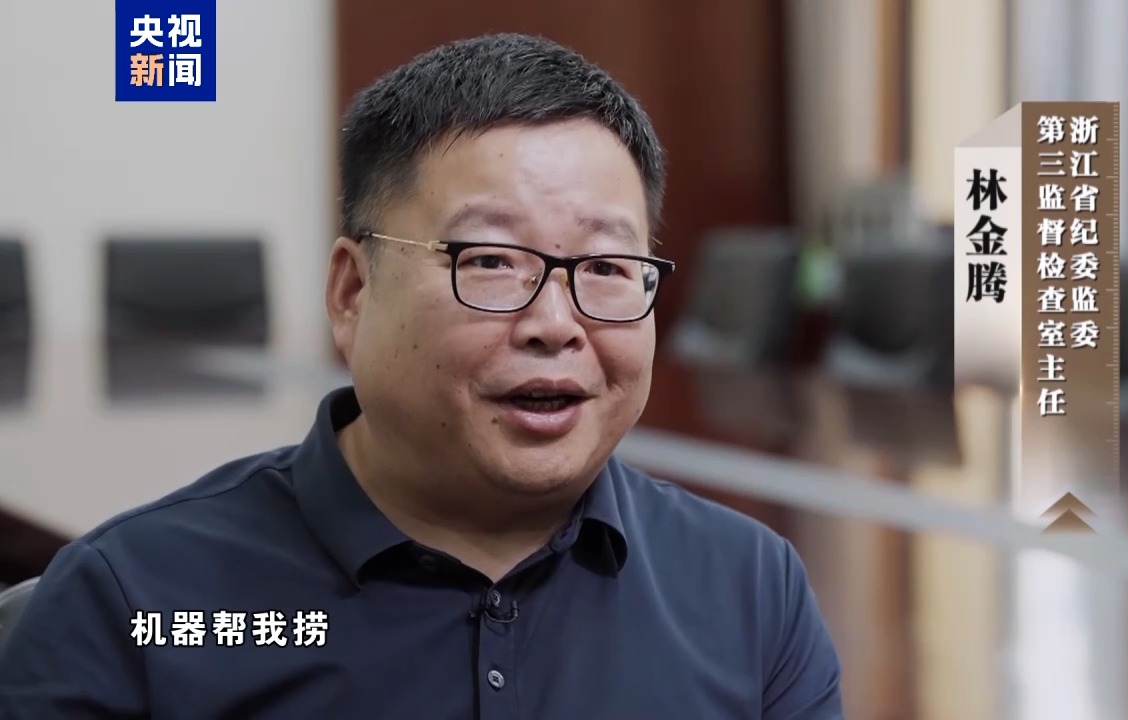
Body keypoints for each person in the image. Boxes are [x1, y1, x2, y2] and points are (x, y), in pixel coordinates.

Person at [0, 33, 843, 719]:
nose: (556, 324)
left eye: (607, 268)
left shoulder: (750, 594)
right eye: (491, 260)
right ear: (352, 291)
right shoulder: (133, 604)